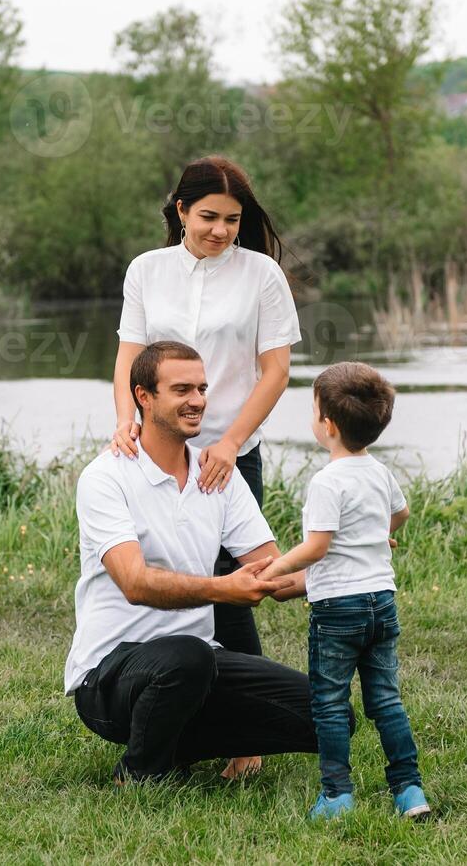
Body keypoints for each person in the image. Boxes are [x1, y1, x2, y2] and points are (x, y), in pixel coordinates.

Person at [68, 341, 351, 783]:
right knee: (188, 656)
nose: (197, 400)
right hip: (109, 676)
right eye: (182, 389)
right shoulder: (105, 477)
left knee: (332, 717)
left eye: (201, 388)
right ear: (143, 396)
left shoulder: (217, 472)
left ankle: (174, 739)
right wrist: (224, 590)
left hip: (198, 665)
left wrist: (349, 560)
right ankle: (141, 770)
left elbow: (273, 572)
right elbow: (135, 583)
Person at [108, 157, 299, 783]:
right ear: (182, 210)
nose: (222, 231)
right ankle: (157, 705)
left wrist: (231, 442)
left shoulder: (262, 275)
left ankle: (245, 734)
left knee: (231, 582)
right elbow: (130, 356)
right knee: (159, 576)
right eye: (210, 217)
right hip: (154, 447)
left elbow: (275, 371)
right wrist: (124, 423)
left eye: (234, 220)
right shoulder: (147, 270)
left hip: (227, 451)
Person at [259, 362, 431, 821]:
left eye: (314, 410)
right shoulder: (379, 471)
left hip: (338, 611)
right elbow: (402, 513)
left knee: (330, 704)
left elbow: (317, 547)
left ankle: (337, 796)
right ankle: (410, 792)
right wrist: (378, 533)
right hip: (382, 603)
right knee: (386, 700)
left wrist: (274, 568)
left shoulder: (326, 481)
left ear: (327, 425)